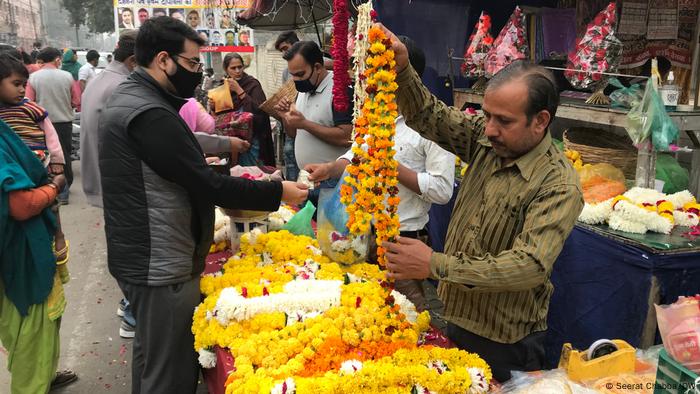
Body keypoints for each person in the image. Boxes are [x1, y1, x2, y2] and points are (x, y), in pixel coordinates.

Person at [98, 17, 308, 393]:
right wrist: (278, 192)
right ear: (164, 60)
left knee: (152, 359)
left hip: (144, 252)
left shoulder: (137, 98)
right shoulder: (147, 112)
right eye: (193, 64)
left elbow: (184, 154)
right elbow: (207, 184)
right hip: (159, 259)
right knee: (171, 372)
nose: (197, 73)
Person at [377, 25, 584, 382]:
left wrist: (434, 265)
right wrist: (402, 69)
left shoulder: (558, 183)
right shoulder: (485, 142)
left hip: (506, 339)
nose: (488, 128)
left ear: (541, 122)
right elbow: (428, 115)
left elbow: (529, 265)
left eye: (503, 121)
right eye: (486, 115)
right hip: (457, 317)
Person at [304, 36, 455, 308]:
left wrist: (392, 168)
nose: (370, 79)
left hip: (403, 243)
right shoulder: (375, 116)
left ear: (405, 74)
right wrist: (331, 168)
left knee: (408, 317)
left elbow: (443, 190)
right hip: (363, 236)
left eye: (380, 69)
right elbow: (356, 157)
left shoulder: (433, 125)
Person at [0, 118, 76, 393]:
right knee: (31, 326)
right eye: (15, 83)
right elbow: (22, 206)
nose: (22, 90)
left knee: (39, 324)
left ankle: (44, 374)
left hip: (22, 247)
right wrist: (54, 187)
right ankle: (32, 385)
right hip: (17, 255)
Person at [275, 41, 352, 203]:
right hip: (307, 179)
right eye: (293, 75)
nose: (295, 80)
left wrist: (304, 124)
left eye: (300, 74)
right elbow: (294, 133)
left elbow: (347, 137)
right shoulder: (304, 89)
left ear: (317, 67)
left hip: (332, 183)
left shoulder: (339, 89)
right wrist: (286, 117)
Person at [27, 47, 81, 205]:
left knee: (46, 156)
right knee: (64, 154)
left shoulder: (33, 78)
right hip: (64, 123)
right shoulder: (67, 76)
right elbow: (76, 101)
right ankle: (65, 189)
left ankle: (50, 189)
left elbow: (29, 102)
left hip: (41, 124)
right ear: (57, 60)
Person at [221, 53, 275, 166]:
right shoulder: (223, 87)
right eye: (233, 68)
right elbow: (220, 116)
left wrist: (240, 91)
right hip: (232, 142)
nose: (237, 71)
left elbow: (261, 111)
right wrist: (213, 106)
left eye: (240, 67)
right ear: (226, 70)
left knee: (253, 174)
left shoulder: (252, 84)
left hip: (253, 140)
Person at [274, 31, 300, 182]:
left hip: (308, 118)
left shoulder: (314, 59)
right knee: (289, 154)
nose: (285, 53)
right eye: (282, 51)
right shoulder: (286, 72)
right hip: (291, 120)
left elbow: (335, 64)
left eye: (286, 48)